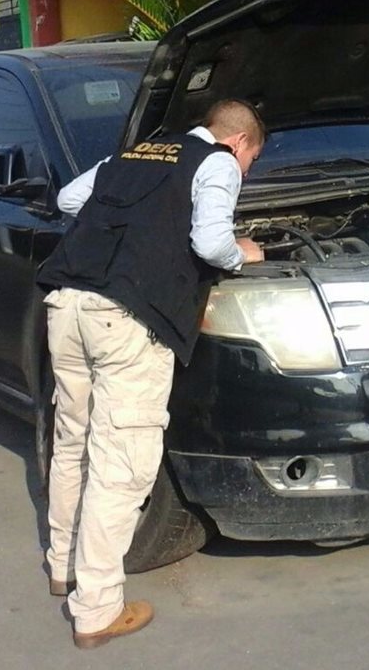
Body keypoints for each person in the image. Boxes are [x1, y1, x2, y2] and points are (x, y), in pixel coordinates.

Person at [36, 98, 266, 649]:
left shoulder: (135, 152)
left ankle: (61, 566)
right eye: (251, 160)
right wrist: (244, 252)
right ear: (239, 143)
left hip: (67, 305)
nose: (245, 171)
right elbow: (210, 243)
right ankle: (95, 611)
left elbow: (70, 200)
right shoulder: (217, 163)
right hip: (127, 321)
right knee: (122, 466)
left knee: (74, 441)